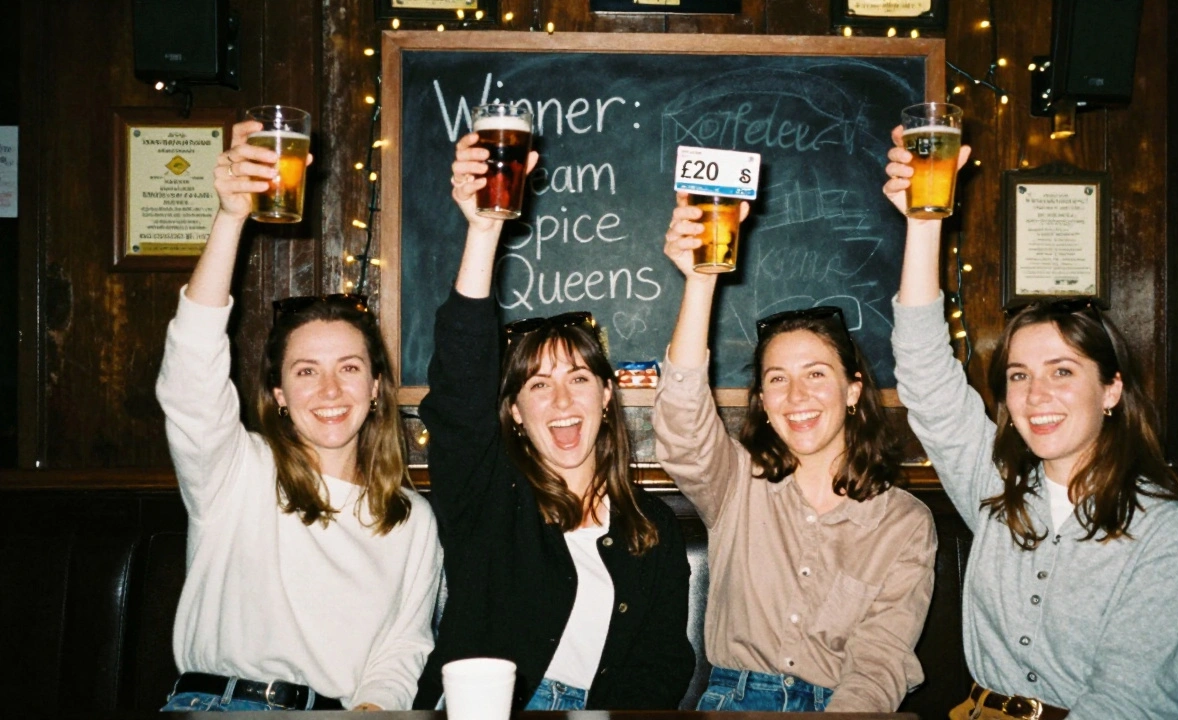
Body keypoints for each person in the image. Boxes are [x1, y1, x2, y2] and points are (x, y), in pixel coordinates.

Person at [883, 126, 1178, 720]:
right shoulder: (995, 485)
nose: (1036, 395)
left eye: (1062, 371)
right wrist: (923, 221)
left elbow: (1130, 703)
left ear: (1111, 388)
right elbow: (926, 374)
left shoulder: (1167, 531)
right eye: (1017, 375)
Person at [155, 119, 443, 712]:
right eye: (306, 371)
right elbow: (190, 374)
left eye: (350, 368)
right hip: (219, 706)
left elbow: (402, 650)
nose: (330, 389)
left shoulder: (412, 520)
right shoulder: (238, 471)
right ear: (279, 393)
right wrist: (231, 216)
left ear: (378, 384)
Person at [415, 132, 695, 711]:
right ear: (514, 411)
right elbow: (460, 389)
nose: (562, 400)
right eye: (538, 385)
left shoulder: (654, 529)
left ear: (608, 395)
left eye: (579, 378)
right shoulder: (489, 495)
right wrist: (484, 229)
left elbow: (663, 666)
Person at [651, 193, 938, 712]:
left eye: (815, 375)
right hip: (733, 700)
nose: (796, 397)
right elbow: (681, 426)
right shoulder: (737, 483)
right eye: (777, 380)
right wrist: (699, 282)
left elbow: (879, 663)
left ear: (853, 391)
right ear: (762, 400)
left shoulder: (904, 522)